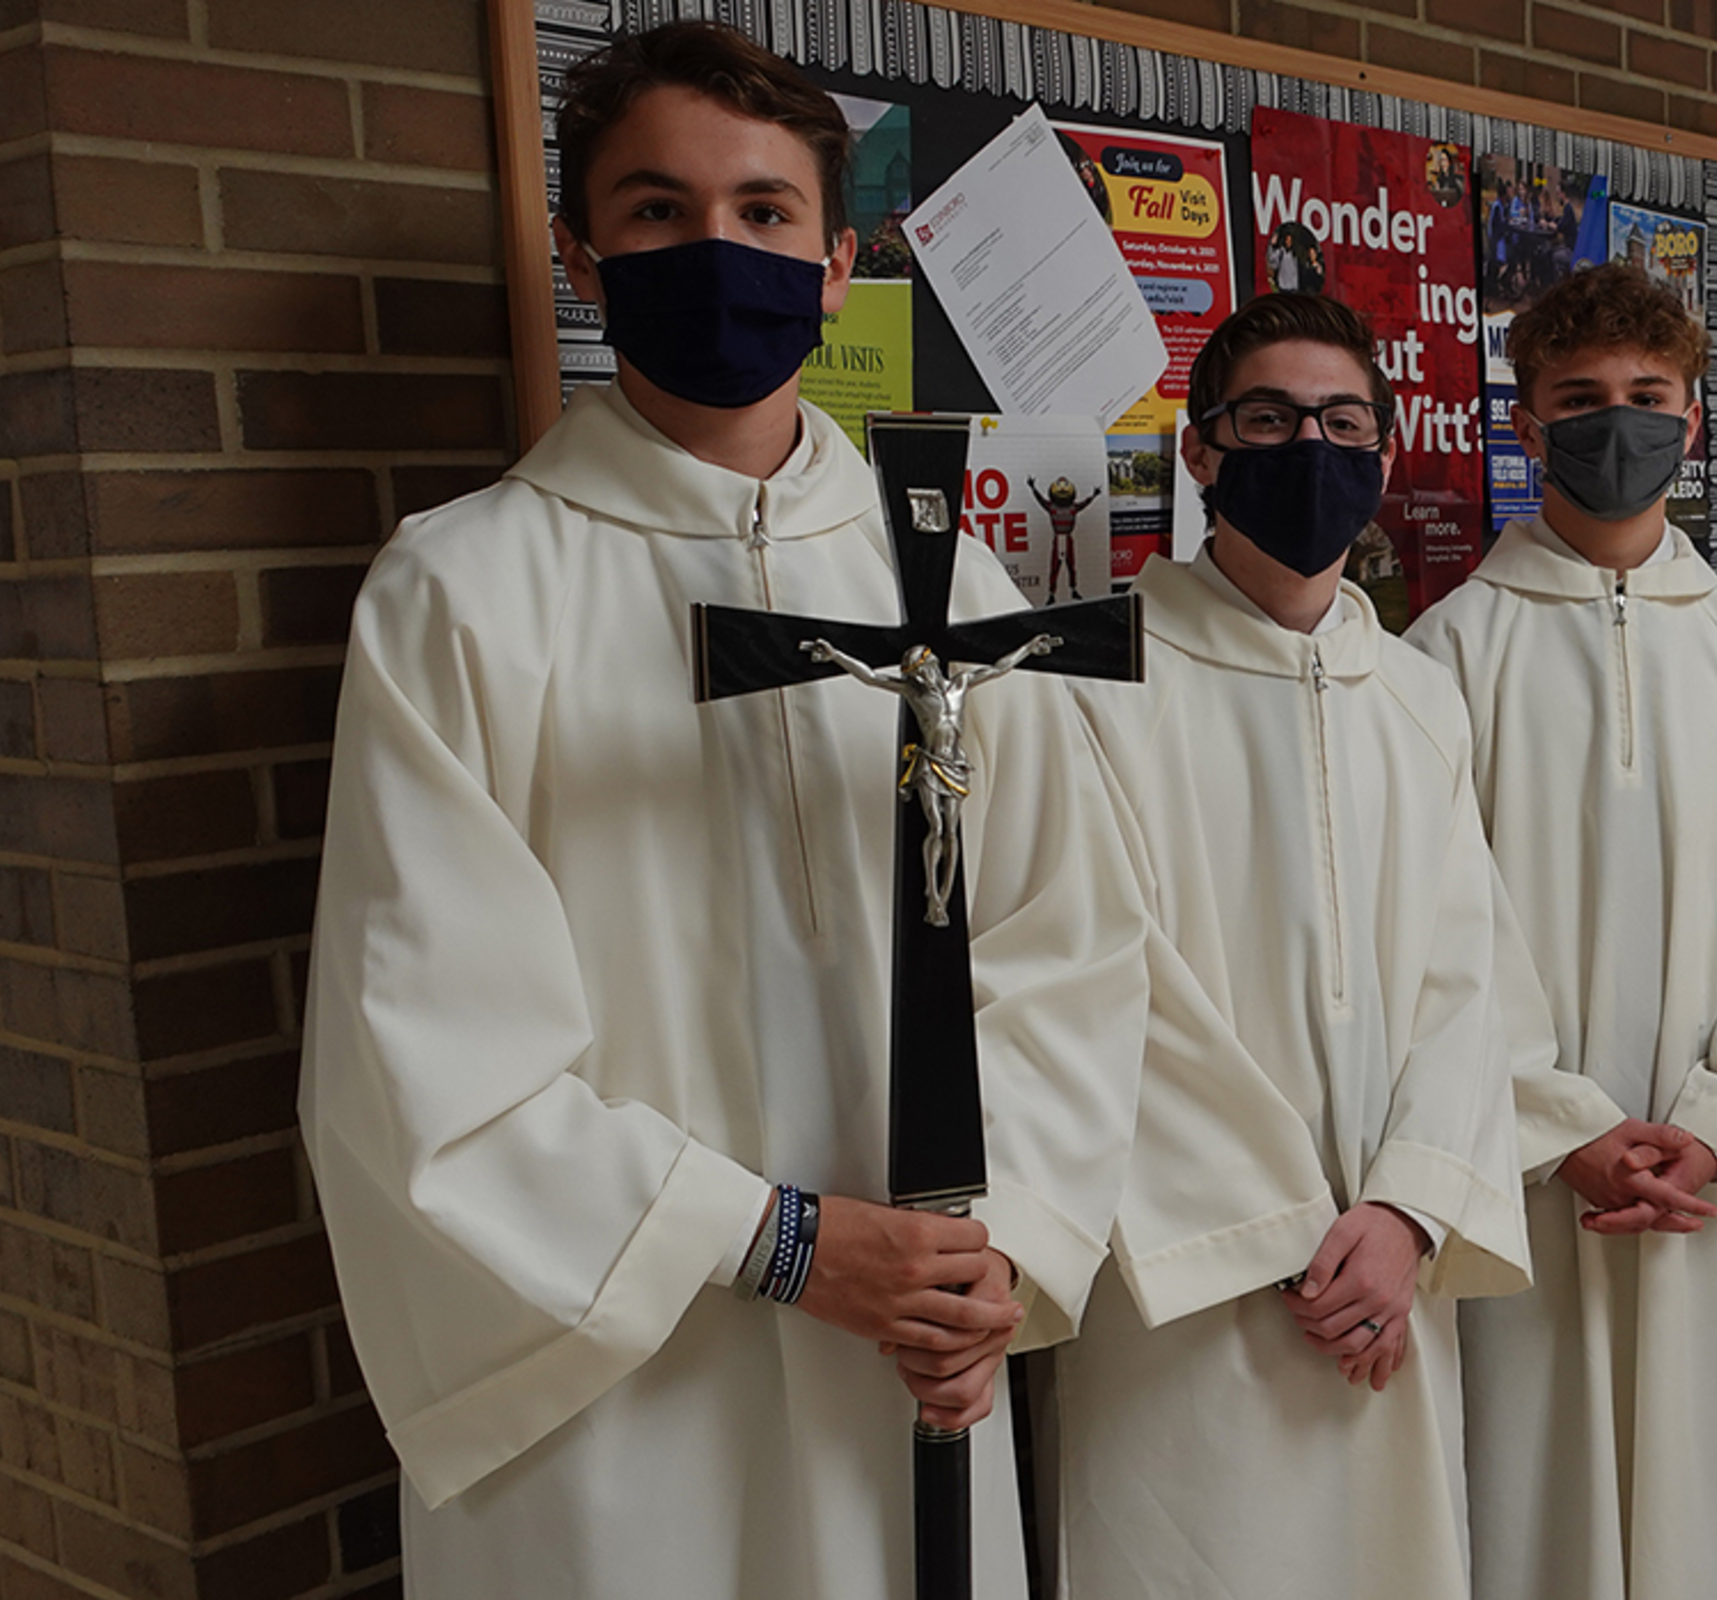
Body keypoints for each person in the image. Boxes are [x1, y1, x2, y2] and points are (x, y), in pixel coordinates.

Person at [298, 23, 1151, 1598]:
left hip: (915, 1344)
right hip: (626, 1369)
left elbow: (1069, 948)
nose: (716, 248)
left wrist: (1002, 1243)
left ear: (835, 266)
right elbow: (421, 1054)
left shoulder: (948, 587)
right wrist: (786, 1243)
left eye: (763, 213)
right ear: (581, 254)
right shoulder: (467, 591)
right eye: (657, 210)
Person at [1054, 291, 1531, 1600]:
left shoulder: (1419, 699)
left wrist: (1409, 1210)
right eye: (1267, 420)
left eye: (1341, 422)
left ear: (1383, 449)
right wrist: (1281, 1228)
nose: (1308, 447)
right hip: (1186, 1275)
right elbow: (1089, 985)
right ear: (1199, 451)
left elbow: (1467, 982)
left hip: (1385, 1271)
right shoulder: (1090, 681)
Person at [1408, 264, 1717, 1600]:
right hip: (1525, 1165)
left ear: (1692, 420)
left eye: (1648, 395)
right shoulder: (1444, 657)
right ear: (1525, 423)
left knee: (1692, 1472)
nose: (1618, 422)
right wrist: (1561, 1125)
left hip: (1707, 1167)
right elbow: (1439, 927)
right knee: (1528, 1474)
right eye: (1579, 396)